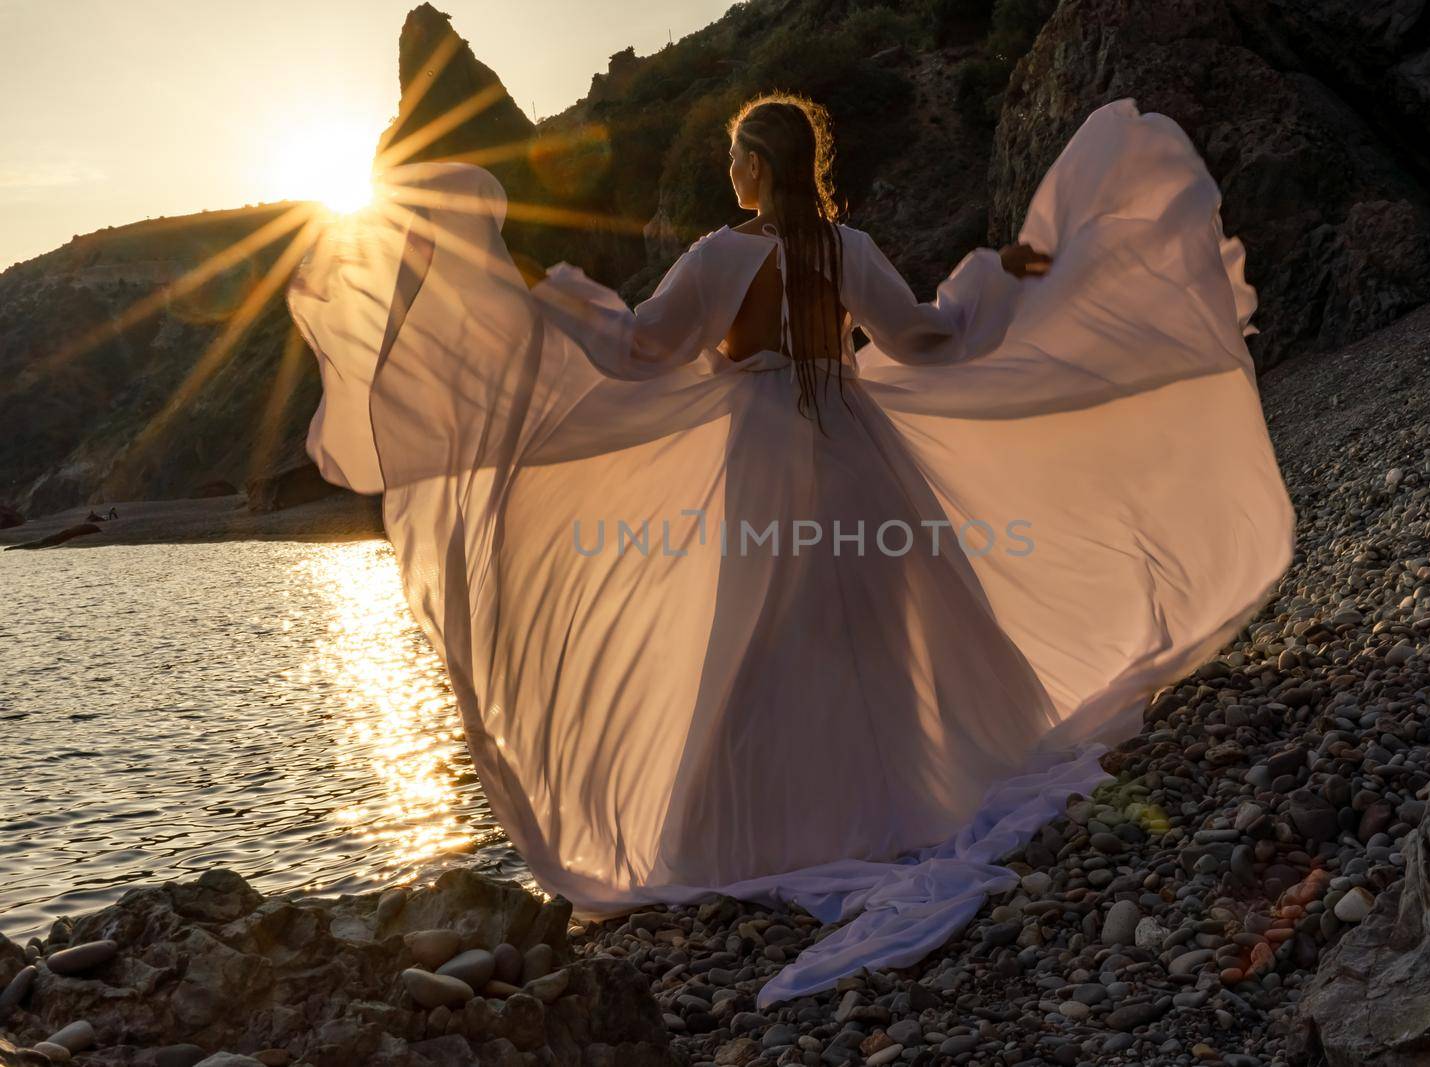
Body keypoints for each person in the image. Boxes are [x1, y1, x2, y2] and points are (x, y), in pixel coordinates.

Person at [287, 93, 1294, 1006]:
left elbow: (642, 352)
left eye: (734, 161)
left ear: (752, 169)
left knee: (765, 644)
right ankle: (921, 790)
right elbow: (925, 343)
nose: (731, 176)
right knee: (891, 627)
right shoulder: (846, 250)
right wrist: (1007, 288)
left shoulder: (719, 257)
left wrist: (548, 313)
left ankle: (765, 827)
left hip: (765, 464)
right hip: (858, 451)